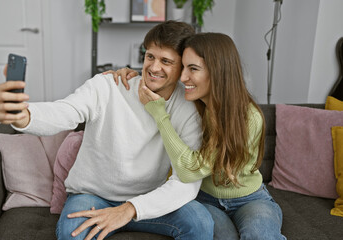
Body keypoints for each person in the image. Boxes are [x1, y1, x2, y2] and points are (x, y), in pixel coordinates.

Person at [0, 21, 213, 240]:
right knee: (73, 234)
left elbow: (186, 183)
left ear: (183, 68)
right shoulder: (108, 86)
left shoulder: (187, 109)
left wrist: (129, 209)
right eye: (150, 56)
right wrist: (24, 115)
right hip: (93, 196)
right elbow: (66, 111)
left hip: (148, 199)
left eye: (166, 61)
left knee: (200, 223)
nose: (154, 67)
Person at [112, 32, 286, 239]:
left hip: (249, 198)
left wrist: (160, 114)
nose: (183, 77)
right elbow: (158, 79)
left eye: (193, 69)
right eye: (183, 67)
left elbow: (190, 170)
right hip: (203, 198)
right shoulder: (189, 103)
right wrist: (130, 75)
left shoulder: (249, 117)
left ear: (218, 72)